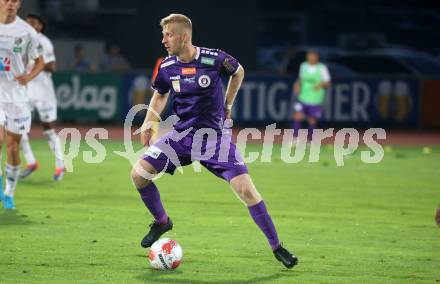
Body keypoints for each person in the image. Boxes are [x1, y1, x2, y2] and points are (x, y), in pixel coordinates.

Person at [130, 13, 298, 269]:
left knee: (246, 190)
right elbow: (160, 94)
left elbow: (238, 71)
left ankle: (278, 247)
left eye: (168, 35)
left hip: (214, 139)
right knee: (139, 174)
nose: (163, 40)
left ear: (183, 36)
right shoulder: (167, 66)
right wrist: (149, 122)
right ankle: (162, 221)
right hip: (181, 136)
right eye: (163, 35)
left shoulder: (214, 58)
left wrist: (228, 104)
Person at [0, 0, 44, 209]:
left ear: (19, 4)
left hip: (17, 96)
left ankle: (9, 192)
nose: (10, 3)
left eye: (14, 0)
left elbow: (40, 61)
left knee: (13, 147)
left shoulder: (27, 32)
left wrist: (28, 77)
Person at [19, 13, 65, 181]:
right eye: (27, 21)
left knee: (48, 129)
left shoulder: (44, 42)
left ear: (40, 26)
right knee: (19, 128)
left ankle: (60, 165)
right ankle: (31, 162)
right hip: (26, 90)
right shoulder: (21, 40)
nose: (29, 24)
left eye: (33, 22)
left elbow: (52, 66)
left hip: (44, 92)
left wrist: (35, 64)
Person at [292, 50, 331, 142]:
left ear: (317, 57)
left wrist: (320, 84)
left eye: (313, 56)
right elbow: (300, 79)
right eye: (310, 56)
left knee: (312, 119)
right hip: (303, 96)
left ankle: (310, 140)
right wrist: (297, 85)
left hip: (315, 98)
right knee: (297, 116)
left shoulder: (322, 68)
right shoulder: (303, 66)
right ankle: (295, 139)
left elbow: (328, 83)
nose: (311, 58)